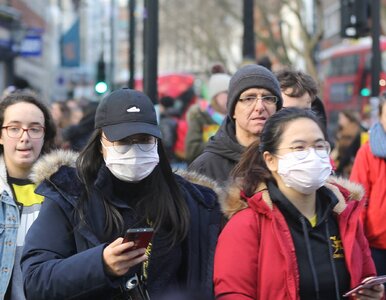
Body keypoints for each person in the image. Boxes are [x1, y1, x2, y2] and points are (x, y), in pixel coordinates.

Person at [21, 88, 222, 299]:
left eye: (144, 139)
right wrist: (101, 264)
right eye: (123, 140)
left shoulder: (192, 200)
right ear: (101, 143)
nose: (134, 150)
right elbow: (35, 280)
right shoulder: (69, 194)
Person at [213, 107, 384, 300]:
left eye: (319, 146)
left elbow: (365, 278)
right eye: (299, 147)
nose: (312, 155)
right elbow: (233, 293)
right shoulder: (247, 225)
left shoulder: (345, 217)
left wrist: (373, 295)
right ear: (270, 160)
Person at [0, 91, 56, 300]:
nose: (24, 137)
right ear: (1, 135)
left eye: (34, 129)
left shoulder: (67, 192)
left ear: (45, 135)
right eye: (14, 128)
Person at [188, 64, 282, 185]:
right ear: (233, 111)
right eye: (249, 98)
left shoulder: (291, 161)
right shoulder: (204, 168)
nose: (260, 107)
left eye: (268, 98)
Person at [350, 93, 386, 278]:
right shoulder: (367, 152)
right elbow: (358, 200)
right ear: (380, 117)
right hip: (376, 246)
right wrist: (358, 245)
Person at [185, 72, 231, 163]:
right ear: (215, 96)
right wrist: (222, 144)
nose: (230, 96)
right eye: (226, 92)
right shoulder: (199, 117)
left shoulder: (235, 118)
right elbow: (191, 151)